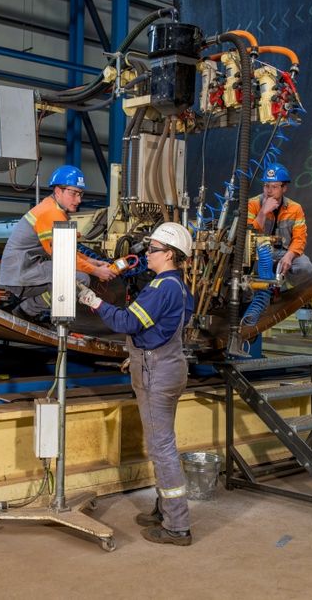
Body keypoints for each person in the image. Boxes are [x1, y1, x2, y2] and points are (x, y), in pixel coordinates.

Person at [78, 222, 196, 546]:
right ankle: (164, 509)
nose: (147, 254)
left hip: (156, 372)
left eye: (153, 250)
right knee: (163, 443)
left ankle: (177, 526)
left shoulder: (162, 288)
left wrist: (94, 301)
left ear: (169, 254)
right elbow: (170, 321)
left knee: (162, 448)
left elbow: (128, 322)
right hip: (170, 366)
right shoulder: (180, 287)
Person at [0, 165, 116, 321]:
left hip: (26, 268)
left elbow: (67, 252)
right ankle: (26, 311)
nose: (79, 200)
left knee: (76, 276)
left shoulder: (53, 209)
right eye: (73, 193)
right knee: (81, 279)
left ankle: (27, 309)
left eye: (80, 194)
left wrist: (93, 262)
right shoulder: (51, 213)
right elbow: (64, 258)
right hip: (21, 271)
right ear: (58, 190)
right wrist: (96, 271)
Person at [246, 163, 312, 281]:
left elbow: (299, 239)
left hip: (282, 252)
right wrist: (263, 212)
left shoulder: (295, 208)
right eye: (266, 186)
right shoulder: (253, 204)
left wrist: (289, 256)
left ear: (284, 188)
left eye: (274, 187)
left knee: (306, 266)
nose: (269, 191)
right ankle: (256, 296)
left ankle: (287, 291)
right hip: (257, 255)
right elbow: (248, 235)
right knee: (255, 270)